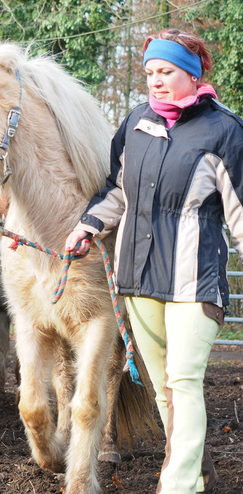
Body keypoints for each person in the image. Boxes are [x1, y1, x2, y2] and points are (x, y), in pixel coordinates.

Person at [65, 29, 243, 494]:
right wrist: (88, 226)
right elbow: (117, 191)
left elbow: (241, 210)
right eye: (149, 73)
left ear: (192, 72)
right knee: (165, 390)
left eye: (165, 72)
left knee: (183, 381)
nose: (155, 81)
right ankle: (197, 471)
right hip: (138, 279)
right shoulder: (136, 123)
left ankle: (178, 486)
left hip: (193, 283)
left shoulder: (224, 130)